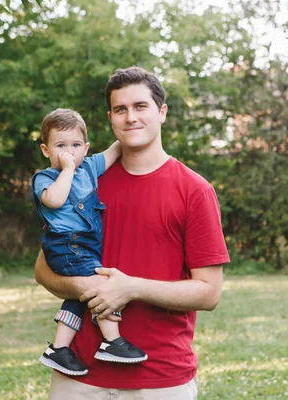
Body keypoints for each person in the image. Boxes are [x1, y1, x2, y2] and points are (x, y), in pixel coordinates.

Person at [34, 67, 230, 399]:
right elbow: (43, 270)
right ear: (110, 118)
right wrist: (91, 288)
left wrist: (131, 288)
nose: (130, 117)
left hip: (160, 378)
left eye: (140, 106)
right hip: (78, 378)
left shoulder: (194, 191)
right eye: (120, 109)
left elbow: (209, 293)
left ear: (162, 112)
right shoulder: (81, 182)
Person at [32, 109, 148, 377]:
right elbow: (55, 200)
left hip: (85, 248)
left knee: (79, 297)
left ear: (85, 148)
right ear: (46, 150)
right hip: (65, 246)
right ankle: (111, 340)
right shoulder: (45, 178)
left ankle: (59, 348)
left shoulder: (90, 167)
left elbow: (116, 148)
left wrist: (133, 128)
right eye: (61, 146)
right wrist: (69, 169)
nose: (69, 152)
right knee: (103, 287)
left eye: (75, 146)